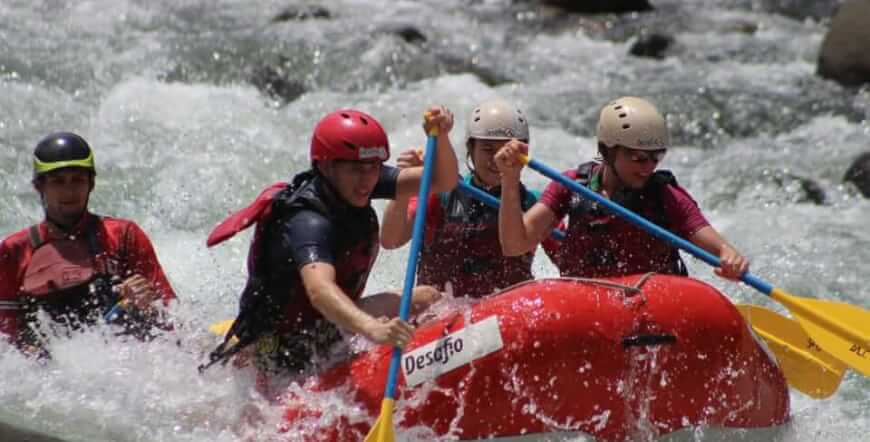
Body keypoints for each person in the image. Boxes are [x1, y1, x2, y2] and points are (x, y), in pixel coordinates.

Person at [202, 107, 459, 377]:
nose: (366, 180)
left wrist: (441, 137)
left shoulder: (360, 180)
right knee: (413, 303)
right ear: (325, 166)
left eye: (373, 167)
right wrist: (372, 328)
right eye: (355, 169)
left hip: (324, 327)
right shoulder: (307, 220)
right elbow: (319, 290)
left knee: (428, 298)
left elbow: (443, 180)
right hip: (284, 347)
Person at [495, 96, 749, 280]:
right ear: (606, 151)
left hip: (651, 309)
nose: (648, 168)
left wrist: (731, 259)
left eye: (655, 158)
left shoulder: (666, 196)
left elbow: (721, 247)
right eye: (638, 158)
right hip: (586, 310)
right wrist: (509, 178)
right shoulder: (572, 186)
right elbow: (515, 244)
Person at [0, 132, 177, 356]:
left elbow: (173, 318)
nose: (69, 190)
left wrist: (149, 305)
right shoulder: (14, 250)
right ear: (39, 187)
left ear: (91, 184)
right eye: (57, 181)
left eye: (78, 180)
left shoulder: (124, 235)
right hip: (50, 373)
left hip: (126, 361)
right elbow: (6, 336)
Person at [381, 98, 554, 299]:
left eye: (506, 149)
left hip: (504, 313)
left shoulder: (537, 204)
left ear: (523, 151)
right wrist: (404, 186)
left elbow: (567, 261)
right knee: (425, 295)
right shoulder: (440, 195)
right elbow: (391, 241)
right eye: (487, 149)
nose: (497, 159)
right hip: (438, 312)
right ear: (471, 149)